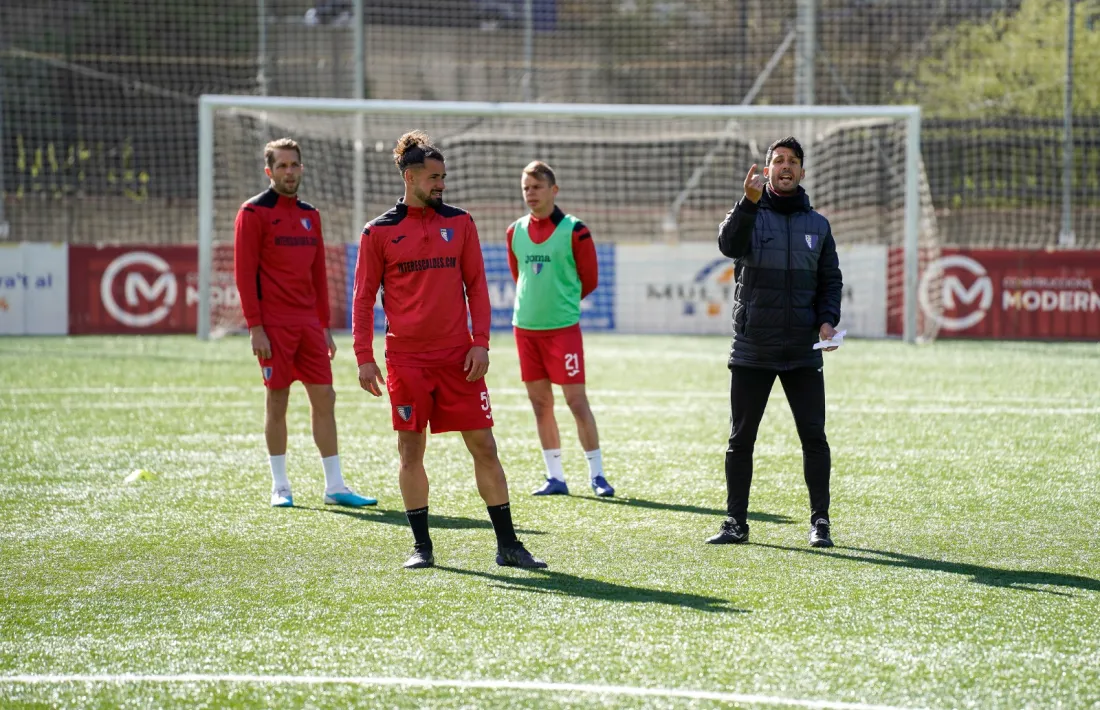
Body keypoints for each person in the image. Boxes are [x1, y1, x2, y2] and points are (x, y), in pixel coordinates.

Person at [352, 130, 547, 571]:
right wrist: (363, 356)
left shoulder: (460, 222)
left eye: (444, 177)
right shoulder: (377, 232)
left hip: (460, 360)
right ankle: (422, 547)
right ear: (409, 177)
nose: (441, 184)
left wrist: (481, 343)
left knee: (485, 447)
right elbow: (363, 298)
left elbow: (477, 287)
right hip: (406, 361)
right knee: (410, 450)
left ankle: (509, 546)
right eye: (434, 177)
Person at [707, 136, 843, 549]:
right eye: (778, 160)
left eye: (792, 161)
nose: (785, 166)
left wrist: (826, 321)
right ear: (767, 171)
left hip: (802, 352)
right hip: (753, 349)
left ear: (802, 172)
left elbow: (829, 280)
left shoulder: (818, 226)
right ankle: (735, 522)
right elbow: (728, 245)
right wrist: (747, 203)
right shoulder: (747, 212)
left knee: (814, 438)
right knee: (740, 439)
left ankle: (820, 522)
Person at [234, 137, 377, 510]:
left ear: (301, 168)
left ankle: (335, 485)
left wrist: (324, 325)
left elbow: (317, 274)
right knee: (277, 400)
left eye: (294, 165)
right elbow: (244, 274)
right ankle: (280, 485)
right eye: (281, 166)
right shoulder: (252, 213)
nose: (288, 172)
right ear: (269, 171)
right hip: (273, 326)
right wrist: (255, 327)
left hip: (309, 327)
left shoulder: (310, 215)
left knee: (325, 399)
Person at [506, 161, 614, 498]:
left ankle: (597, 475)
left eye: (537, 187)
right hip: (525, 330)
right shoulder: (514, 231)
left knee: (576, 403)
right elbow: (518, 275)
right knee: (541, 405)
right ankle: (555, 477)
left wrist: (561, 303)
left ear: (554, 190)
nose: (531, 194)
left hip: (562, 331)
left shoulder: (575, 230)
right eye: (526, 188)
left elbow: (590, 280)